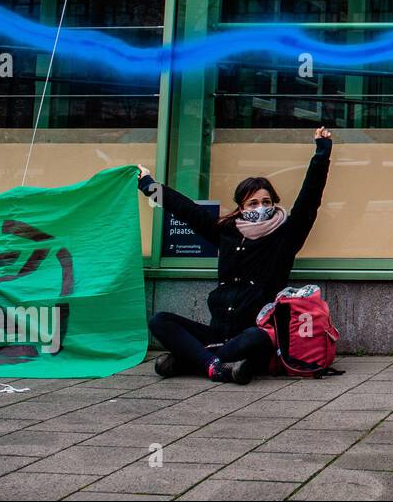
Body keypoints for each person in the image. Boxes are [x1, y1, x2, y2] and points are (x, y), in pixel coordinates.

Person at [137, 126, 334, 384]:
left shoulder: (285, 236)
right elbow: (184, 209)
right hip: (218, 333)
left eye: (266, 202)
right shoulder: (226, 232)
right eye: (253, 203)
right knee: (160, 321)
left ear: (274, 203)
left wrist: (322, 152)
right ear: (241, 208)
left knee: (256, 337)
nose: (260, 208)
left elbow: (309, 198)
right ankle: (216, 365)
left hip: (253, 335)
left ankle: (193, 360)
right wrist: (147, 185)